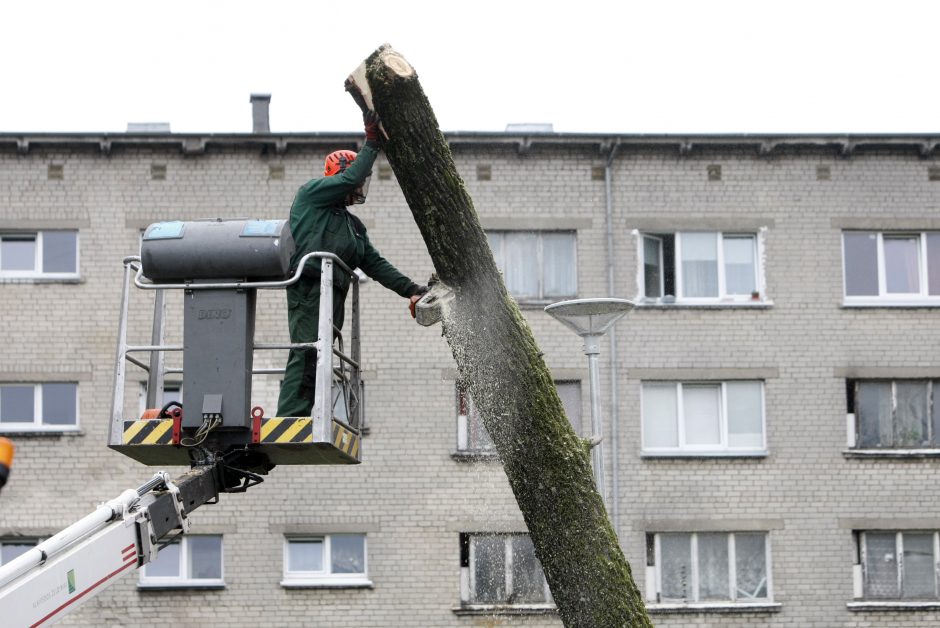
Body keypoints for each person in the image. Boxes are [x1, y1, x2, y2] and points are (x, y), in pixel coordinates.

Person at [276, 110, 427, 417]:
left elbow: (376, 264)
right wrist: (371, 142)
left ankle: (304, 414)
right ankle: (290, 416)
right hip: (309, 289)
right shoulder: (311, 196)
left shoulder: (353, 226)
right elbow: (352, 176)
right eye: (357, 180)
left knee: (320, 356)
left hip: (334, 297)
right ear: (341, 177)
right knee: (306, 351)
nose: (360, 187)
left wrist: (412, 290)